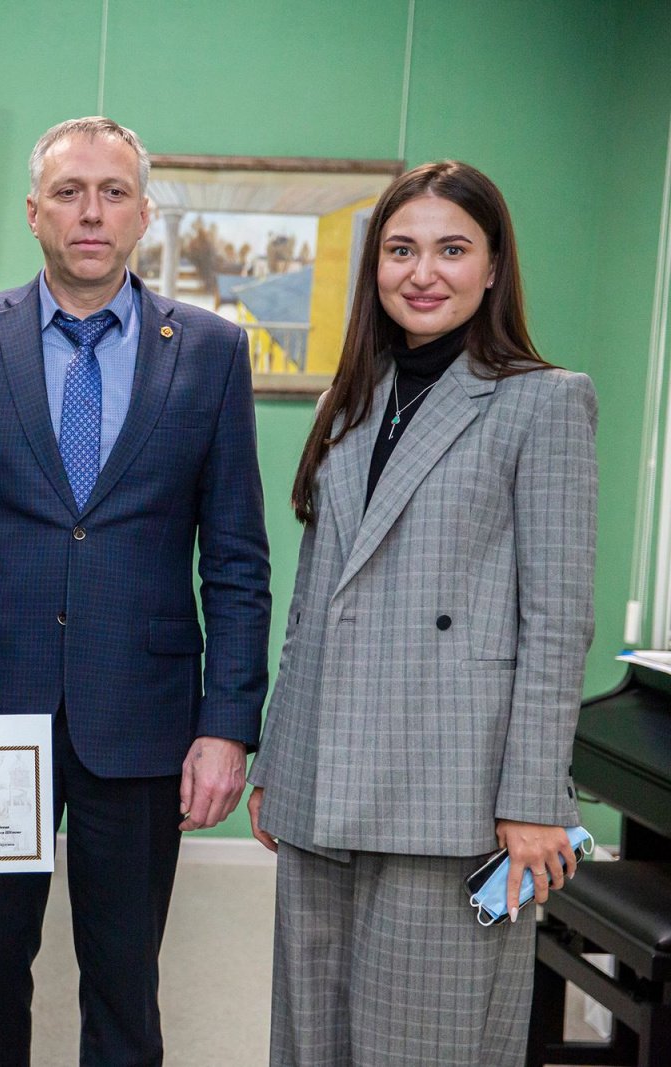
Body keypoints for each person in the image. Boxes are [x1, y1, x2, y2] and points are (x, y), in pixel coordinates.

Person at [0, 116, 272, 1066]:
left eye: (114, 192)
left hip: (143, 711)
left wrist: (228, 724)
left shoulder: (211, 350)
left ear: (144, 214)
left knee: (124, 979)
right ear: (34, 213)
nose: (92, 211)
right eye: (69, 192)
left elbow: (236, 559)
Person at [246, 160, 596, 1066]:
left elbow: (557, 621)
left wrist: (533, 798)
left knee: (427, 1046)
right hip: (323, 775)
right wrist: (277, 762)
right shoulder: (349, 400)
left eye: (451, 249)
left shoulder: (543, 400)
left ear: (493, 265)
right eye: (401, 250)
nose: (423, 272)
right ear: (375, 267)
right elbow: (314, 603)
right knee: (311, 1043)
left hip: (453, 792)